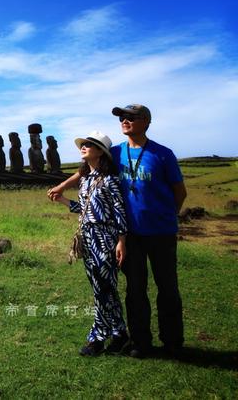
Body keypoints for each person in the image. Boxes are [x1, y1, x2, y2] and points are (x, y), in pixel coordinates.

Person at [48, 104, 187, 359]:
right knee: (135, 289)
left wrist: (168, 217)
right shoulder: (115, 152)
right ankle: (139, 341)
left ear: (146, 121)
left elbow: (180, 191)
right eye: (122, 117)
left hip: (161, 232)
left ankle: (172, 342)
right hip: (129, 234)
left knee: (167, 287)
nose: (125, 120)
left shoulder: (162, 154)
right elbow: (84, 171)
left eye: (131, 117)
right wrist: (62, 186)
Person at [51, 131, 129, 356]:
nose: (83, 147)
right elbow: (84, 211)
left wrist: (121, 241)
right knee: (102, 288)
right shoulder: (85, 180)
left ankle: (97, 337)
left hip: (106, 238)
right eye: (83, 145)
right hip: (88, 238)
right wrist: (64, 200)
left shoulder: (110, 180)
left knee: (104, 288)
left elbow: (119, 211)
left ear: (100, 152)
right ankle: (119, 332)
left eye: (89, 145)